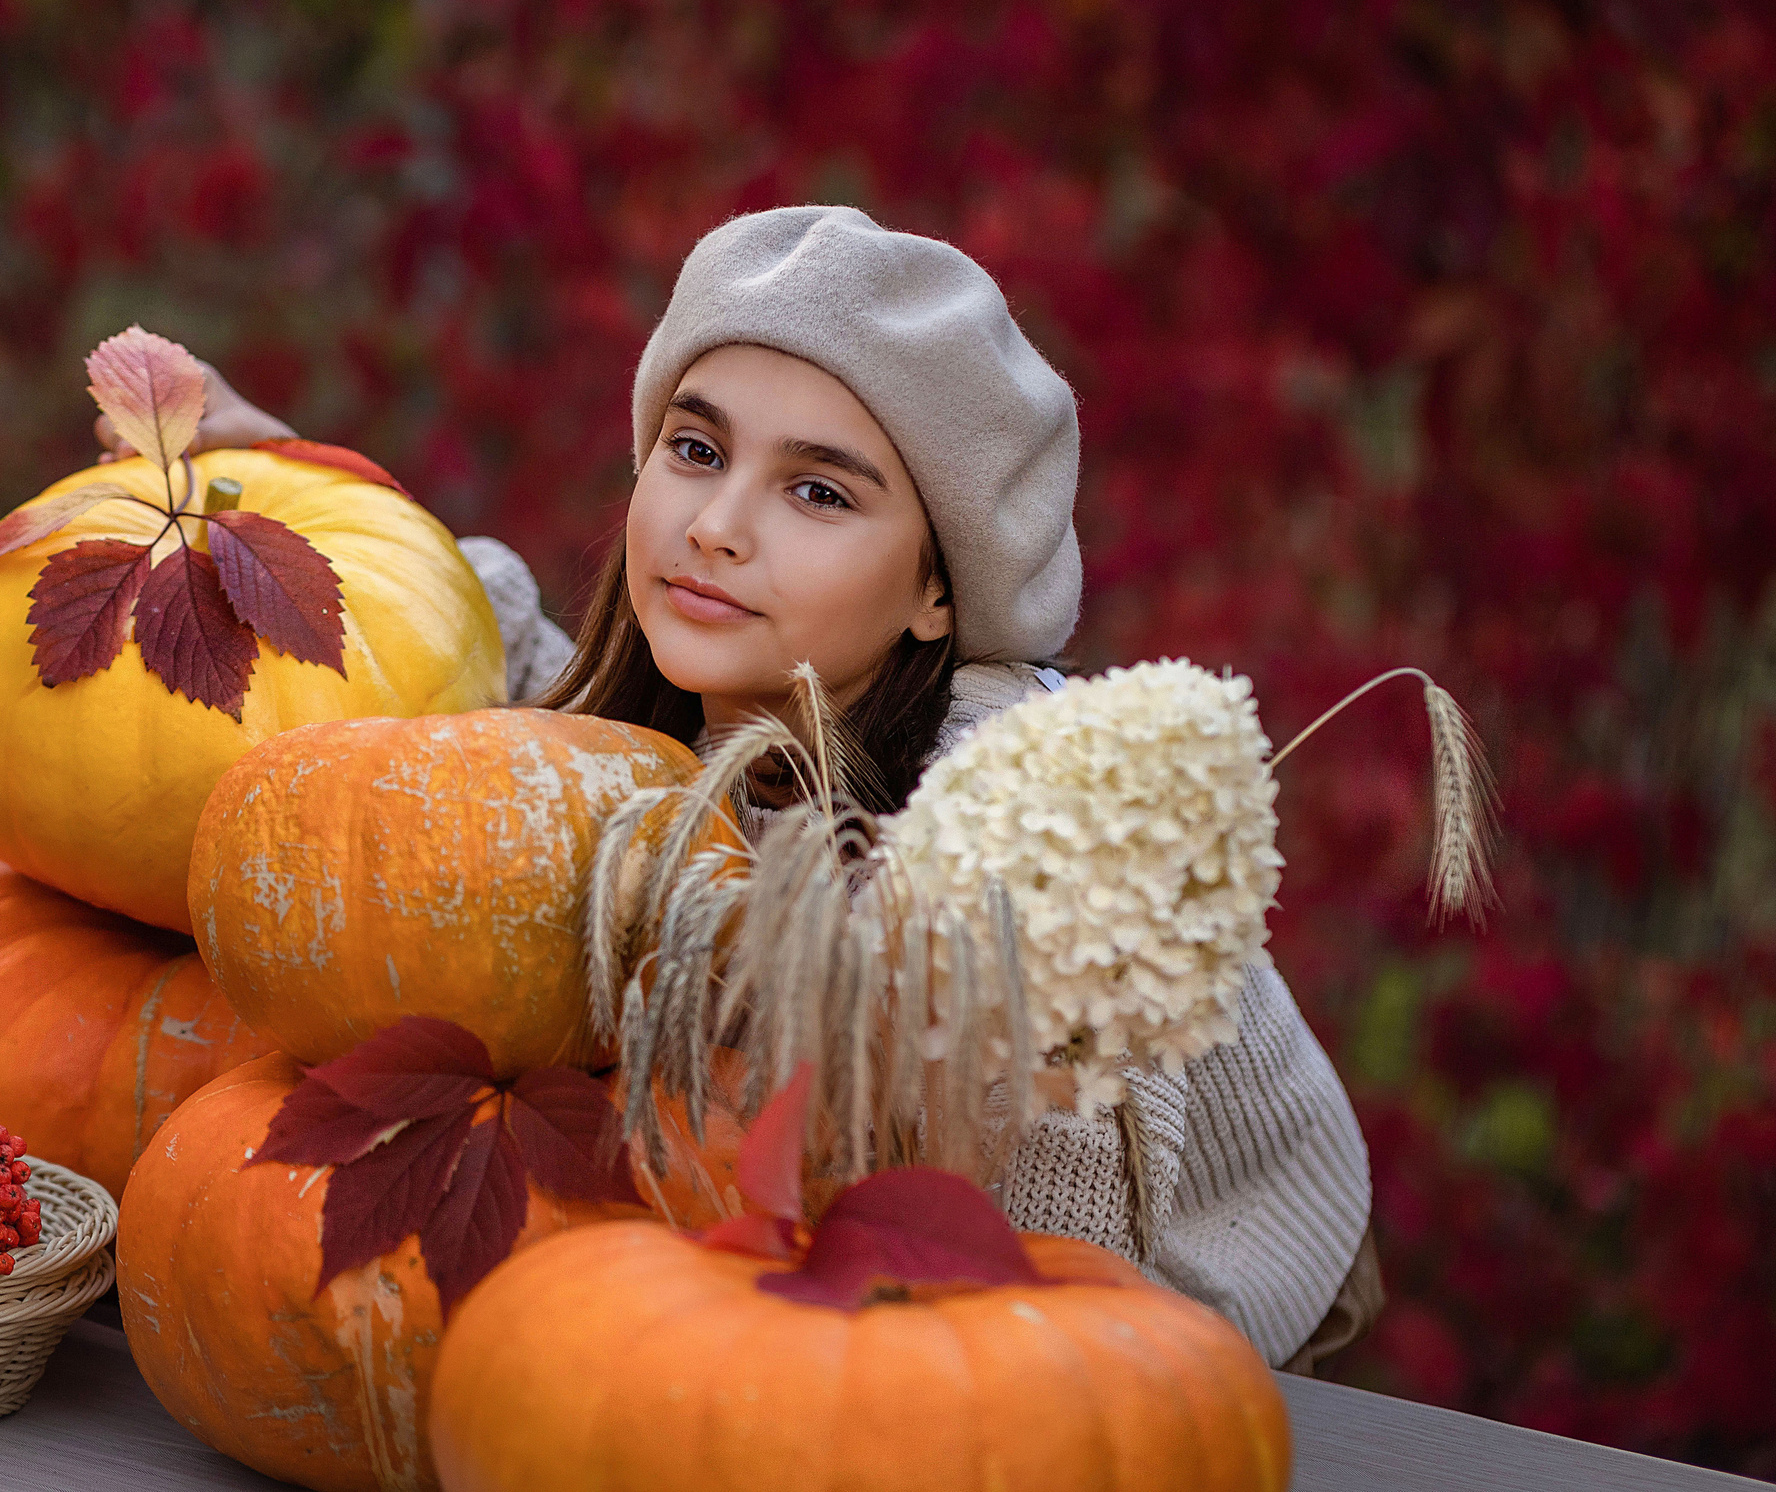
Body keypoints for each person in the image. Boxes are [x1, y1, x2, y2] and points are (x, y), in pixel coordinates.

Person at [103, 204, 1381, 1372]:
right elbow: (503, 684)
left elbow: (1035, 1269)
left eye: (818, 490)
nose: (717, 523)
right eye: (696, 448)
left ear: (944, 589)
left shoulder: (1001, 844)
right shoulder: (682, 703)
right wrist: (289, 487)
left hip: (1173, 1284)